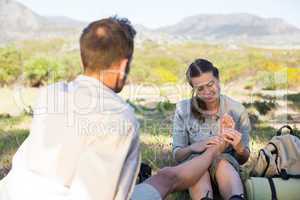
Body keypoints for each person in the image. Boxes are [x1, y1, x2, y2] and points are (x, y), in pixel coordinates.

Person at [0, 17, 227, 200]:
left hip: (13, 192)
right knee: (167, 178)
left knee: (164, 176)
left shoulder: (52, 92)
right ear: (123, 65)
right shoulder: (118, 116)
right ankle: (213, 152)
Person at [172, 59, 251, 200]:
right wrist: (193, 148)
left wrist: (239, 148)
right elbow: (177, 155)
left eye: (210, 84)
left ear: (218, 80)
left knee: (222, 161)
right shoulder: (182, 109)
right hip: (195, 169)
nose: (207, 92)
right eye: (200, 89)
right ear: (193, 89)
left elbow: (243, 159)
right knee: (198, 164)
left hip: (225, 169)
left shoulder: (237, 110)